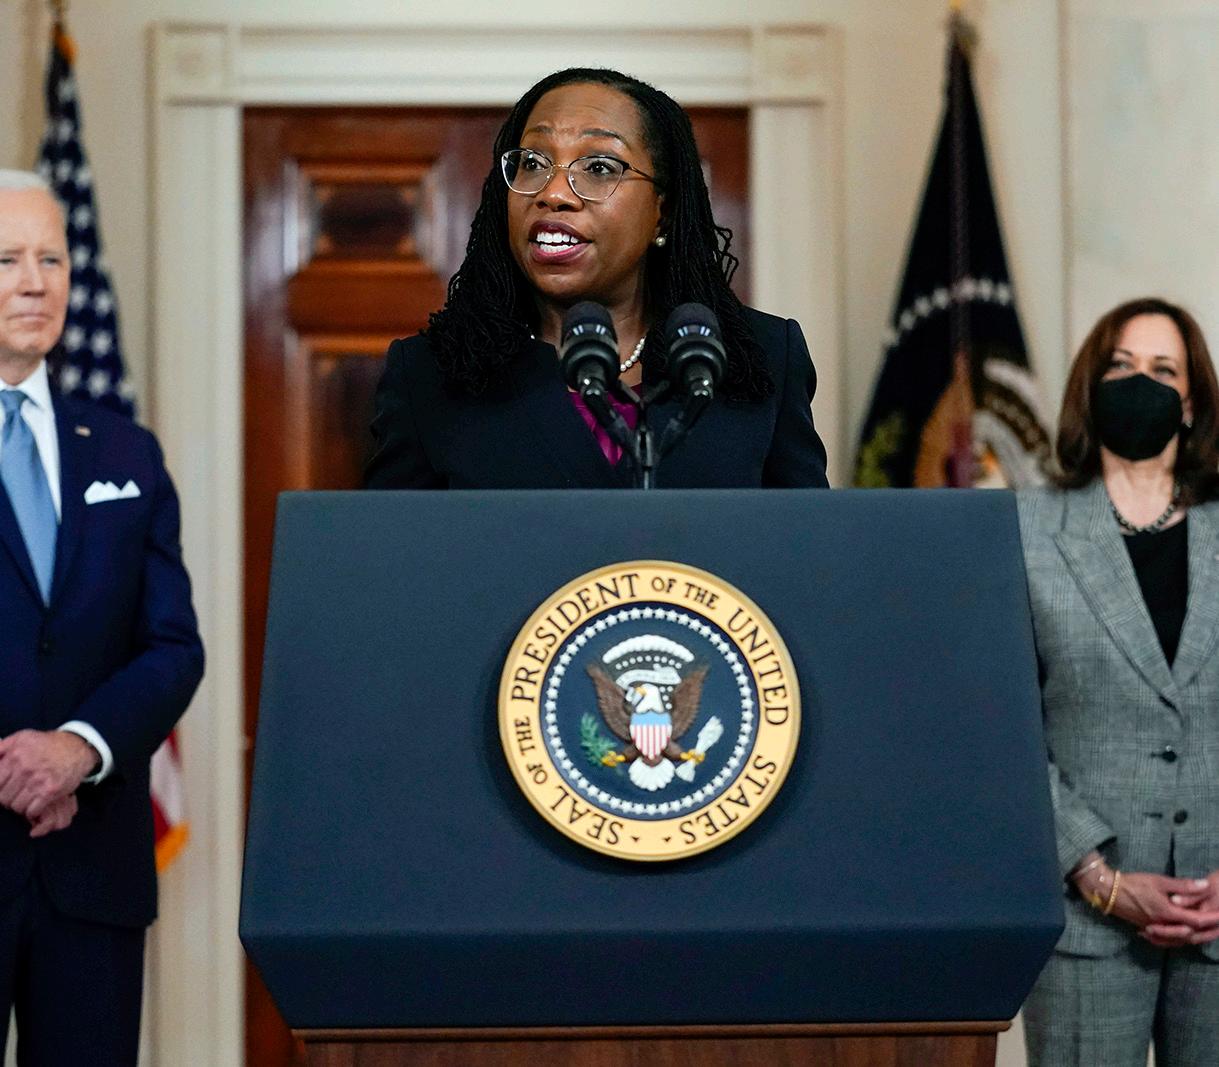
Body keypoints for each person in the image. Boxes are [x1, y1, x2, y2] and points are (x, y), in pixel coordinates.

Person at [364, 67, 828, 489]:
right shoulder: (430, 374)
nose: (553, 193)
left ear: (663, 212)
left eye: (600, 167)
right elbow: (389, 549)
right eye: (532, 162)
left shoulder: (763, 358)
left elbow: (807, 544)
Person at [0, 170, 203, 1063]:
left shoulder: (126, 451)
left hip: (92, 869)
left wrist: (75, 750)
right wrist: (16, 770)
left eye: (52, 259)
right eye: (7, 260)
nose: (35, 283)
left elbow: (172, 647)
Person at [1018, 297, 1219, 1066]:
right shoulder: (1024, 529)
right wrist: (1096, 874)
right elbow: (1005, 729)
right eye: (1121, 366)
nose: (1141, 384)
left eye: (1163, 371)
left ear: (1191, 402)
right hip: (1085, 922)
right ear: (1090, 386)